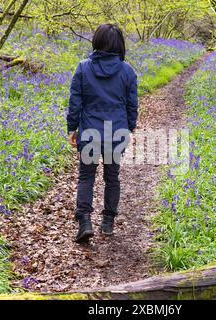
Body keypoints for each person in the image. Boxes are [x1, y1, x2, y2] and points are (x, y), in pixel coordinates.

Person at [66, 23, 138, 243]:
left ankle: (85, 221)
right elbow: (131, 105)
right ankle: (107, 222)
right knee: (112, 177)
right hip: (115, 133)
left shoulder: (83, 67)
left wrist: (72, 127)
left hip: (90, 131)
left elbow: (75, 101)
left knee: (86, 177)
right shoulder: (127, 71)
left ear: (96, 41)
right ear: (119, 45)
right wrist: (130, 128)